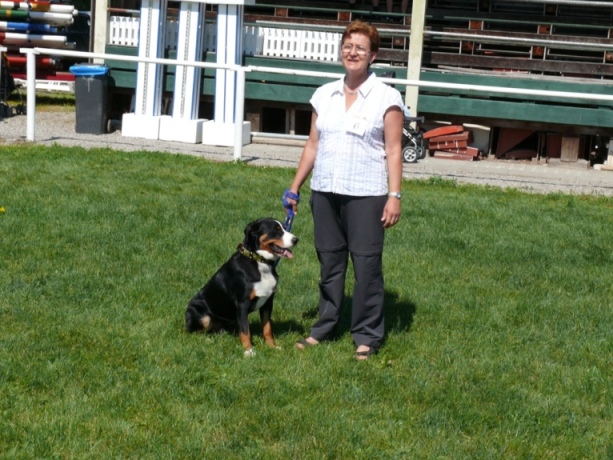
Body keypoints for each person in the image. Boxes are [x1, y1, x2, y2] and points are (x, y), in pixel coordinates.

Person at [284, 20, 404, 361]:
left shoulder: (387, 97)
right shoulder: (324, 94)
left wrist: (394, 195)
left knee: (366, 266)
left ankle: (366, 336)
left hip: (366, 194)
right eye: (348, 46)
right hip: (324, 191)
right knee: (330, 263)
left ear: (373, 56)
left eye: (360, 49)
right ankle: (325, 326)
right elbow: (312, 144)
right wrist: (295, 188)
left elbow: (394, 150)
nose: (353, 53)